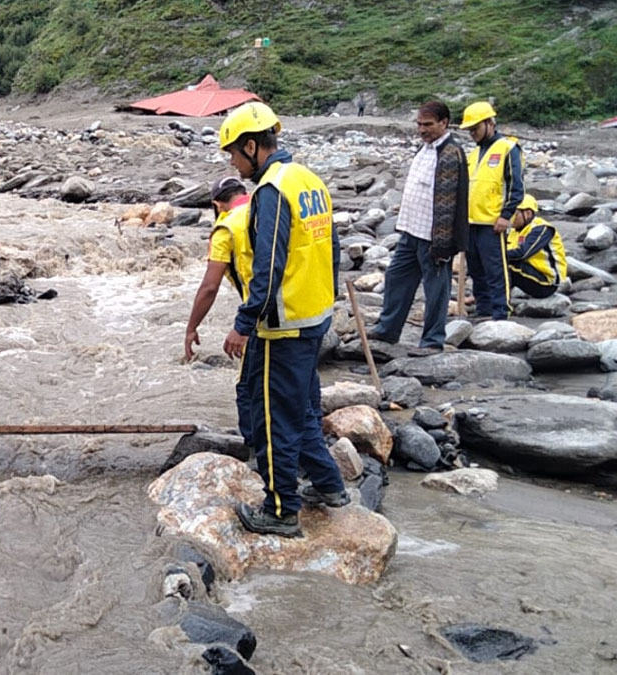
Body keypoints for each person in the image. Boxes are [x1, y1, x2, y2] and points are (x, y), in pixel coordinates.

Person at [217, 102, 349, 538]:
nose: (234, 164)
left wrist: (244, 321)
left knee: (275, 420)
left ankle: (280, 510)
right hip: (314, 317)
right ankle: (330, 487)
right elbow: (331, 252)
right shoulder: (308, 180)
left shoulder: (272, 190)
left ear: (252, 146)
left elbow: (267, 265)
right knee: (302, 411)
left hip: (284, 324)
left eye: (234, 154)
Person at [368, 101, 469, 356]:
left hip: (434, 237)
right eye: (419, 124)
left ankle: (433, 340)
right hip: (411, 230)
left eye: (428, 125)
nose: (422, 130)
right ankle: (388, 328)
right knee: (396, 278)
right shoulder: (425, 149)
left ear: (444, 123)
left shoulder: (449, 154)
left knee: (436, 290)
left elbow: (449, 202)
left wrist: (443, 244)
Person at [184, 176, 255, 444]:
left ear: (217, 205)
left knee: (248, 389)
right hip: (302, 310)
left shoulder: (226, 228)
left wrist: (191, 328)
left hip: (261, 316)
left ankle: (258, 455)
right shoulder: (268, 207)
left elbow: (209, 287)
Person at [460, 101, 525, 321]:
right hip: (471, 221)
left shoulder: (508, 148)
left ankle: (500, 311)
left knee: (495, 269)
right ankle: (484, 308)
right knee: (476, 269)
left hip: (492, 222)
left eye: (475, 129)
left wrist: (505, 216)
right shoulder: (474, 153)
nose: (472, 134)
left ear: (489, 123)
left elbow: (516, 186)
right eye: (470, 130)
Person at [506, 195, 567, 299]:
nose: (510, 218)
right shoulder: (513, 231)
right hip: (530, 273)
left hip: (547, 282)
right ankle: (485, 297)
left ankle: (498, 302)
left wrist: (494, 255)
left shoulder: (541, 229)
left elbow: (522, 254)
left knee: (506, 266)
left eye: (514, 214)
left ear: (528, 213)